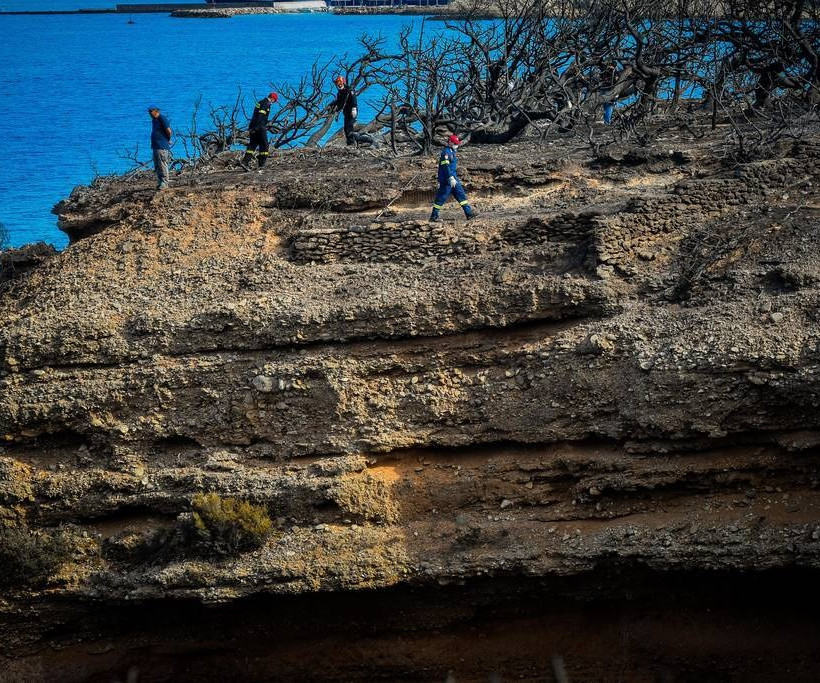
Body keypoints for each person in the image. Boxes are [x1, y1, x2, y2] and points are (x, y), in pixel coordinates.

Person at [430, 134, 476, 222]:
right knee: (442, 198)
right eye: (455, 143)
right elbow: (445, 166)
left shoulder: (452, 151)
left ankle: (469, 213)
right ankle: (434, 216)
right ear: (450, 142)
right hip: (447, 179)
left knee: (461, 195)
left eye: (457, 143)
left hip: (454, 178)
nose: (456, 145)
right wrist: (450, 177)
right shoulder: (446, 152)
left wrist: (453, 178)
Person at [242, 92, 278, 170]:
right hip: (259, 127)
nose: (273, 103)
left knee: (253, 144)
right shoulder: (266, 104)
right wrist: (260, 128)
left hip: (253, 126)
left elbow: (257, 116)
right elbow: (260, 116)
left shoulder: (260, 102)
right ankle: (261, 164)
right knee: (264, 145)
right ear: (272, 98)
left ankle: (245, 161)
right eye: (274, 101)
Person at [148, 106, 172, 190]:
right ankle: (160, 181)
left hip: (162, 146)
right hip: (155, 146)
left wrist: (168, 139)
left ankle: (165, 182)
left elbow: (169, 131)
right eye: (149, 112)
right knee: (157, 165)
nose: (150, 114)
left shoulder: (162, 118)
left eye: (152, 112)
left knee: (162, 164)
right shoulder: (154, 120)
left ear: (157, 111)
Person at [332, 75, 358, 145]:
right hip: (346, 112)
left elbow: (353, 99)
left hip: (351, 110)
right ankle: (350, 142)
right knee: (346, 128)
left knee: (349, 127)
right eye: (337, 83)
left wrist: (354, 108)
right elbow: (340, 102)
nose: (338, 85)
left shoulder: (349, 90)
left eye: (340, 83)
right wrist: (336, 112)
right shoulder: (340, 92)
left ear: (343, 82)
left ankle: (352, 143)